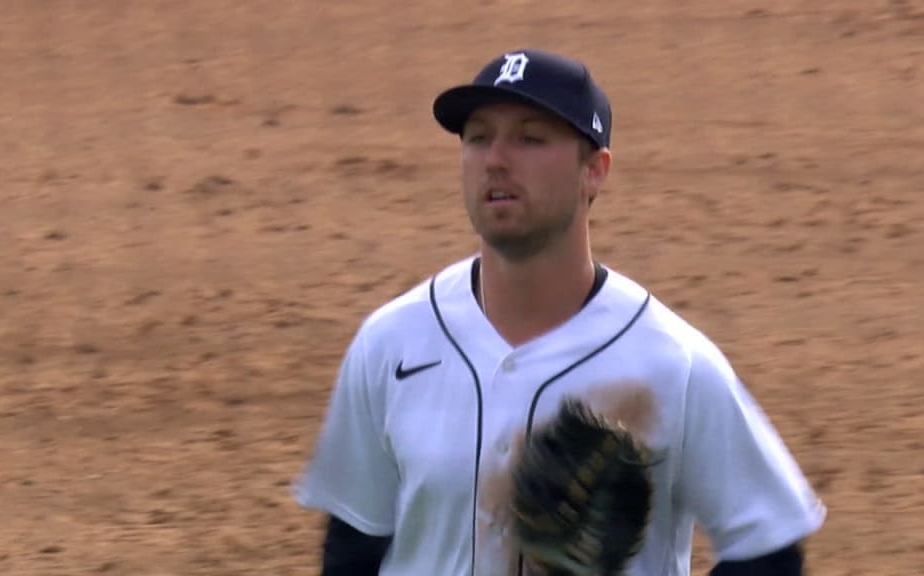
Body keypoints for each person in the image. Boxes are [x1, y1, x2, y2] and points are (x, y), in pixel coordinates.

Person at [292, 48, 827, 576]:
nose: (496, 159)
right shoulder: (391, 343)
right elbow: (353, 543)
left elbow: (767, 546)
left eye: (530, 137)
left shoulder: (674, 365)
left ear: (594, 171)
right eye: (478, 137)